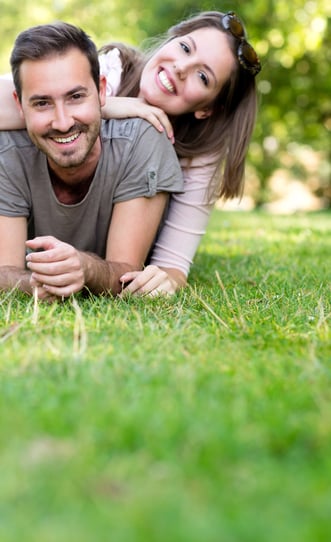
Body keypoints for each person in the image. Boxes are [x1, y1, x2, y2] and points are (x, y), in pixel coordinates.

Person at [0, 11, 261, 296]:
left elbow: (173, 264)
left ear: (207, 109)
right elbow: (35, 94)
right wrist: (109, 106)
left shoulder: (201, 154)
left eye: (202, 76)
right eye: (185, 47)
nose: (181, 68)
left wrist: (165, 281)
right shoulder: (113, 70)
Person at [0, 22, 183, 301]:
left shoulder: (142, 141)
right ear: (19, 105)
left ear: (101, 91)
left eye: (75, 97)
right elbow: (5, 271)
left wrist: (83, 268)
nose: (62, 123)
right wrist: (38, 284)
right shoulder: (8, 151)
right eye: (41, 103)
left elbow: (126, 272)